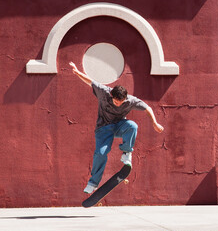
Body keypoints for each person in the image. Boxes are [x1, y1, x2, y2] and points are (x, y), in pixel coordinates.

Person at [69, 62, 164, 194]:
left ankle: (126, 153)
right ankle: (93, 183)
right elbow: (91, 82)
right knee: (100, 154)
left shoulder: (130, 101)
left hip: (119, 126)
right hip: (103, 128)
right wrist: (77, 72)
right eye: (116, 101)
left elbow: (147, 107)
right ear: (112, 96)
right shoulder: (104, 92)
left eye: (121, 102)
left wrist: (155, 122)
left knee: (132, 126)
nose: (118, 104)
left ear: (125, 98)